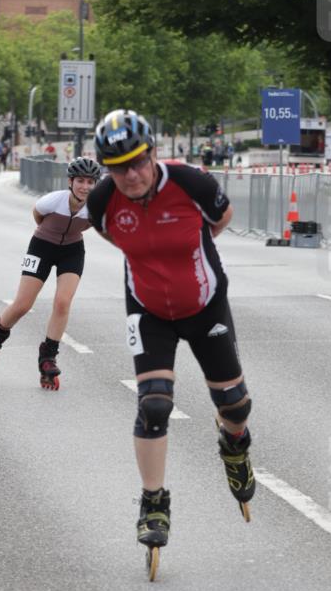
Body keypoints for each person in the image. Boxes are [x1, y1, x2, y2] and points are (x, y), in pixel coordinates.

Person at [87, 109, 255, 567]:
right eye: (118, 167)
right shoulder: (104, 202)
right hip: (148, 311)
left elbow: (220, 219)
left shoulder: (191, 183)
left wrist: (188, 250)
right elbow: (112, 236)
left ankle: (233, 445)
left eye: (139, 161)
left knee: (235, 404)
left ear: (154, 153)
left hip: (205, 306)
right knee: (154, 403)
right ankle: (153, 501)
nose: (132, 174)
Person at [0, 157, 101, 389]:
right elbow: (37, 215)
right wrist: (48, 233)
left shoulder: (96, 207)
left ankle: (48, 357)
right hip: (41, 246)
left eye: (91, 182)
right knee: (23, 304)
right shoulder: (53, 201)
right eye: (80, 181)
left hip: (72, 251)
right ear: (70, 181)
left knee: (63, 303)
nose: (85, 186)